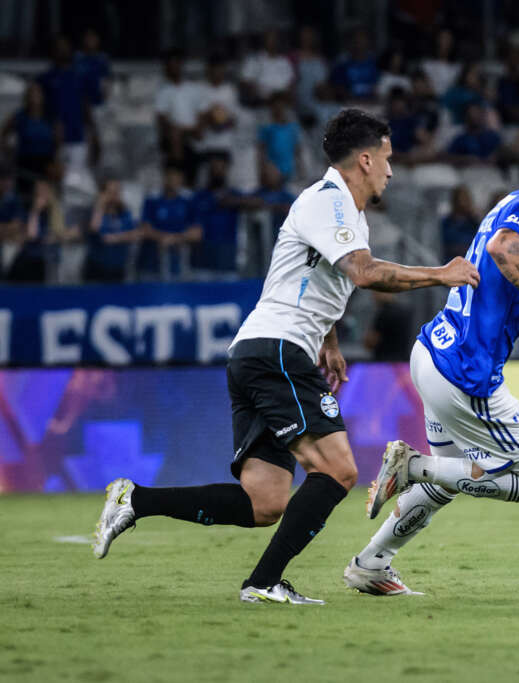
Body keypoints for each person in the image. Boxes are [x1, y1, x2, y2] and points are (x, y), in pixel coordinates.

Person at [92, 109, 480, 605]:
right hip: (276, 352)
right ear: (365, 158)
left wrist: (329, 341)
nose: (391, 169)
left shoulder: (345, 212)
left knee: (265, 501)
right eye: (387, 158)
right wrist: (440, 273)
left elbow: (314, 278)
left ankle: (135, 500)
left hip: (258, 351)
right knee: (339, 470)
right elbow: (362, 273)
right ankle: (262, 582)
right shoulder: (329, 202)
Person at [342, 117, 519, 596]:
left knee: (448, 482)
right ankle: (411, 467)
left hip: (432, 354)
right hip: (466, 376)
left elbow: (515, 280)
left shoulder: (511, 204)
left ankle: (371, 563)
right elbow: (502, 249)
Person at [36, 35, 93, 169]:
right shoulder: (45, 79)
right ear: (53, 52)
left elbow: (86, 106)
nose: (62, 51)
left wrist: (93, 133)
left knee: (76, 179)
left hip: (77, 137)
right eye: (59, 48)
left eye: (65, 48)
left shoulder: (79, 77)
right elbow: (37, 108)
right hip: (52, 140)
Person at [137, 163, 201, 279]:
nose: (172, 180)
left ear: (182, 179)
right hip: (151, 266)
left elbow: (197, 233)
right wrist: (162, 238)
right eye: (169, 176)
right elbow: (144, 229)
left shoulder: (189, 201)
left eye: (176, 177)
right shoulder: (152, 199)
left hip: (179, 267)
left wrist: (175, 238)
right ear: (164, 177)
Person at [1, 82, 61, 199]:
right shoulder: (20, 117)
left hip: (46, 162)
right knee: (25, 196)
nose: (34, 97)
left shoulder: (50, 117)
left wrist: (56, 161)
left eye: (37, 94)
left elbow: (58, 140)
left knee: (45, 196)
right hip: (25, 161)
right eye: (31, 94)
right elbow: (4, 133)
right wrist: (7, 151)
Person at [154, 49, 202, 185]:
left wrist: (190, 130)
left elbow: (200, 118)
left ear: (181, 65)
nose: (174, 67)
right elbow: (162, 120)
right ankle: (176, 175)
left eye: (176, 63)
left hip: (192, 138)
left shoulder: (193, 89)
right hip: (174, 141)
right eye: (170, 64)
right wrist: (176, 132)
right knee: (175, 136)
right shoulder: (163, 92)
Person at [84, 178, 143, 282]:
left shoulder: (125, 212)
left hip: (118, 268)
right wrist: (100, 206)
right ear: (103, 194)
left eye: (117, 192)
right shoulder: (94, 212)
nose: (114, 195)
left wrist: (117, 238)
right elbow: (94, 229)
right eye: (110, 192)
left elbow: (136, 235)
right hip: (96, 268)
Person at [195, 54, 240, 157]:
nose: (217, 72)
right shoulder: (200, 90)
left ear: (224, 70)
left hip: (225, 144)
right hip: (206, 145)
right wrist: (211, 114)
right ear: (209, 69)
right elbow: (198, 118)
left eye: (220, 68)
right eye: (214, 68)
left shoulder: (230, 91)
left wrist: (222, 121)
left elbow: (234, 120)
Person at [240, 30, 295, 106]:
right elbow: (245, 81)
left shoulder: (284, 61)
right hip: (261, 102)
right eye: (270, 38)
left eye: (275, 39)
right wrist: (257, 92)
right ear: (264, 40)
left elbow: (291, 83)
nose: (273, 41)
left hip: (281, 102)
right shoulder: (254, 59)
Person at [259, 92, 303, 182]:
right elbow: (261, 151)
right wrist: (262, 169)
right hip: (273, 171)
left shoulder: (293, 128)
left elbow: (297, 150)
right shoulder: (266, 128)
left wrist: (301, 168)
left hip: (290, 170)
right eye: (275, 106)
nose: (278, 109)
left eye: (281, 106)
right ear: (271, 108)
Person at [363, 291, 415, 361]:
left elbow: (371, 342)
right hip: (402, 362)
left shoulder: (384, 314)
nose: (373, 297)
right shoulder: (405, 311)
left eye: (375, 293)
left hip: (385, 363)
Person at [440, 184, 478, 261]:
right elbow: (447, 245)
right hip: (450, 263)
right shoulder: (446, 223)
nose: (464, 202)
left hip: (470, 263)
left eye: (466, 199)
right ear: (455, 201)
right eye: (461, 199)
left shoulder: (474, 223)